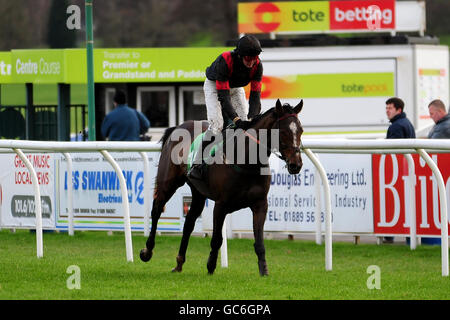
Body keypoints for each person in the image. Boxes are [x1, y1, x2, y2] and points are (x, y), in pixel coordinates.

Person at [188, 34, 263, 181]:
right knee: (217, 125)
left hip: (236, 88)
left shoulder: (257, 66)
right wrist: (235, 119)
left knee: (246, 126)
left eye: (254, 58)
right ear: (240, 55)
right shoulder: (225, 60)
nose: (252, 62)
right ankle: (196, 165)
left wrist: (252, 119)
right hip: (215, 86)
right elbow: (223, 97)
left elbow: (255, 97)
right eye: (248, 58)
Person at [384, 97, 416, 244]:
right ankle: (411, 236)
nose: (387, 111)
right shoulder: (407, 123)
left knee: (394, 205)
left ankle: (389, 236)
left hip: (397, 173)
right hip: (406, 171)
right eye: (386, 108)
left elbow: (392, 152)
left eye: (390, 108)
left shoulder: (396, 127)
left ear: (399, 110)